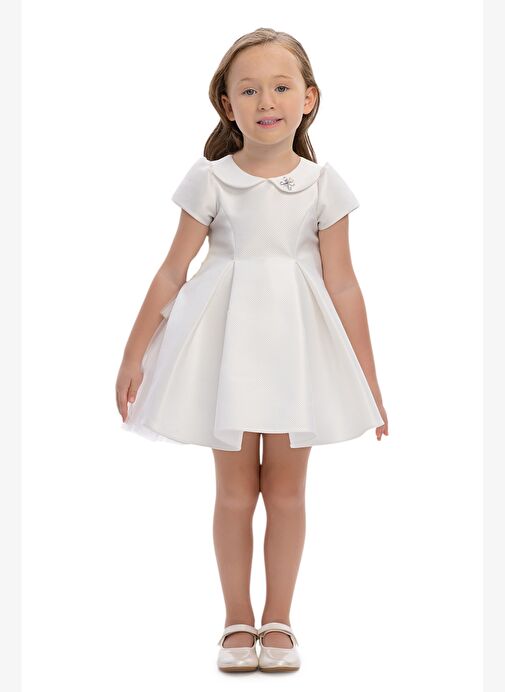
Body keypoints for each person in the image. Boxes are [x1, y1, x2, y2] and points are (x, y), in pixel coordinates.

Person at [116, 27, 388, 673]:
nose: (266, 100)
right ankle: (237, 618)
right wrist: (134, 354)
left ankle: (280, 619)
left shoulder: (323, 184)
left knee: (287, 493)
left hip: (297, 354)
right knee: (235, 494)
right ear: (226, 104)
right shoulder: (210, 179)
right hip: (225, 353)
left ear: (308, 98)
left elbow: (343, 284)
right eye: (249, 90)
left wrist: (368, 380)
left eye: (281, 86)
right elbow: (172, 271)